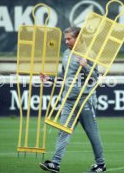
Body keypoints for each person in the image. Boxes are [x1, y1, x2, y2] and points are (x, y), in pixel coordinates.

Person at [39, 27, 106, 173]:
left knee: (92, 132)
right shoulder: (66, 54)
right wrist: (50, 79)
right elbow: (65, 77)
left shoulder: (89, 53)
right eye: (65, 38)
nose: (66, 41)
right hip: (68, 100)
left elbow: (96, 78)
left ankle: (101, 164)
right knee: (63, 132)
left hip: (84, 100)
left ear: (78, 38)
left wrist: (86, 66)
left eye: (69, 38)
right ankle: (55, 164)